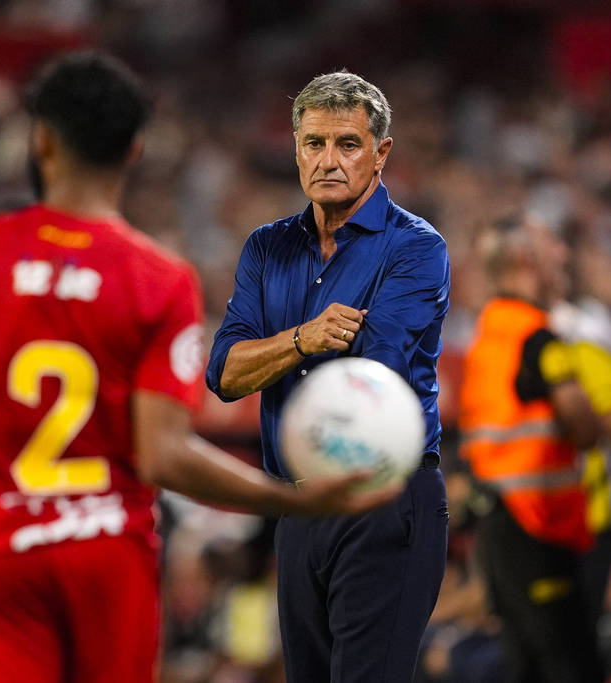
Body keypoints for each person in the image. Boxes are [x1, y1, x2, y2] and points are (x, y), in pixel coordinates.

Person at [0, 51, 396, 682]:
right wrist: (290, 498)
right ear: (134, 150)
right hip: (107, 559)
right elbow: (163, 457)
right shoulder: (160, 279)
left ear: (41, 141)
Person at [206, 70, 451, 682]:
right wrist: (303, 337)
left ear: (381, 153)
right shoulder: (265, 248)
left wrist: (274, 352)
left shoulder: (416, 248)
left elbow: (375, 372)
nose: (328, 160)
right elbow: (225, 373)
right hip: (297, 504)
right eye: (314, 143)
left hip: (385, 498)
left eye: (348, 144)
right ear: (295, 149)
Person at [458, 216, 607, 683]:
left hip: (501, 522)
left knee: (525, 664)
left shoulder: (490, 330)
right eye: (551, 246)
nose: (562, 255)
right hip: (540, 525)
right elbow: (585, 429)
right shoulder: (537, 338)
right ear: (526, 260)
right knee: (570, 666)